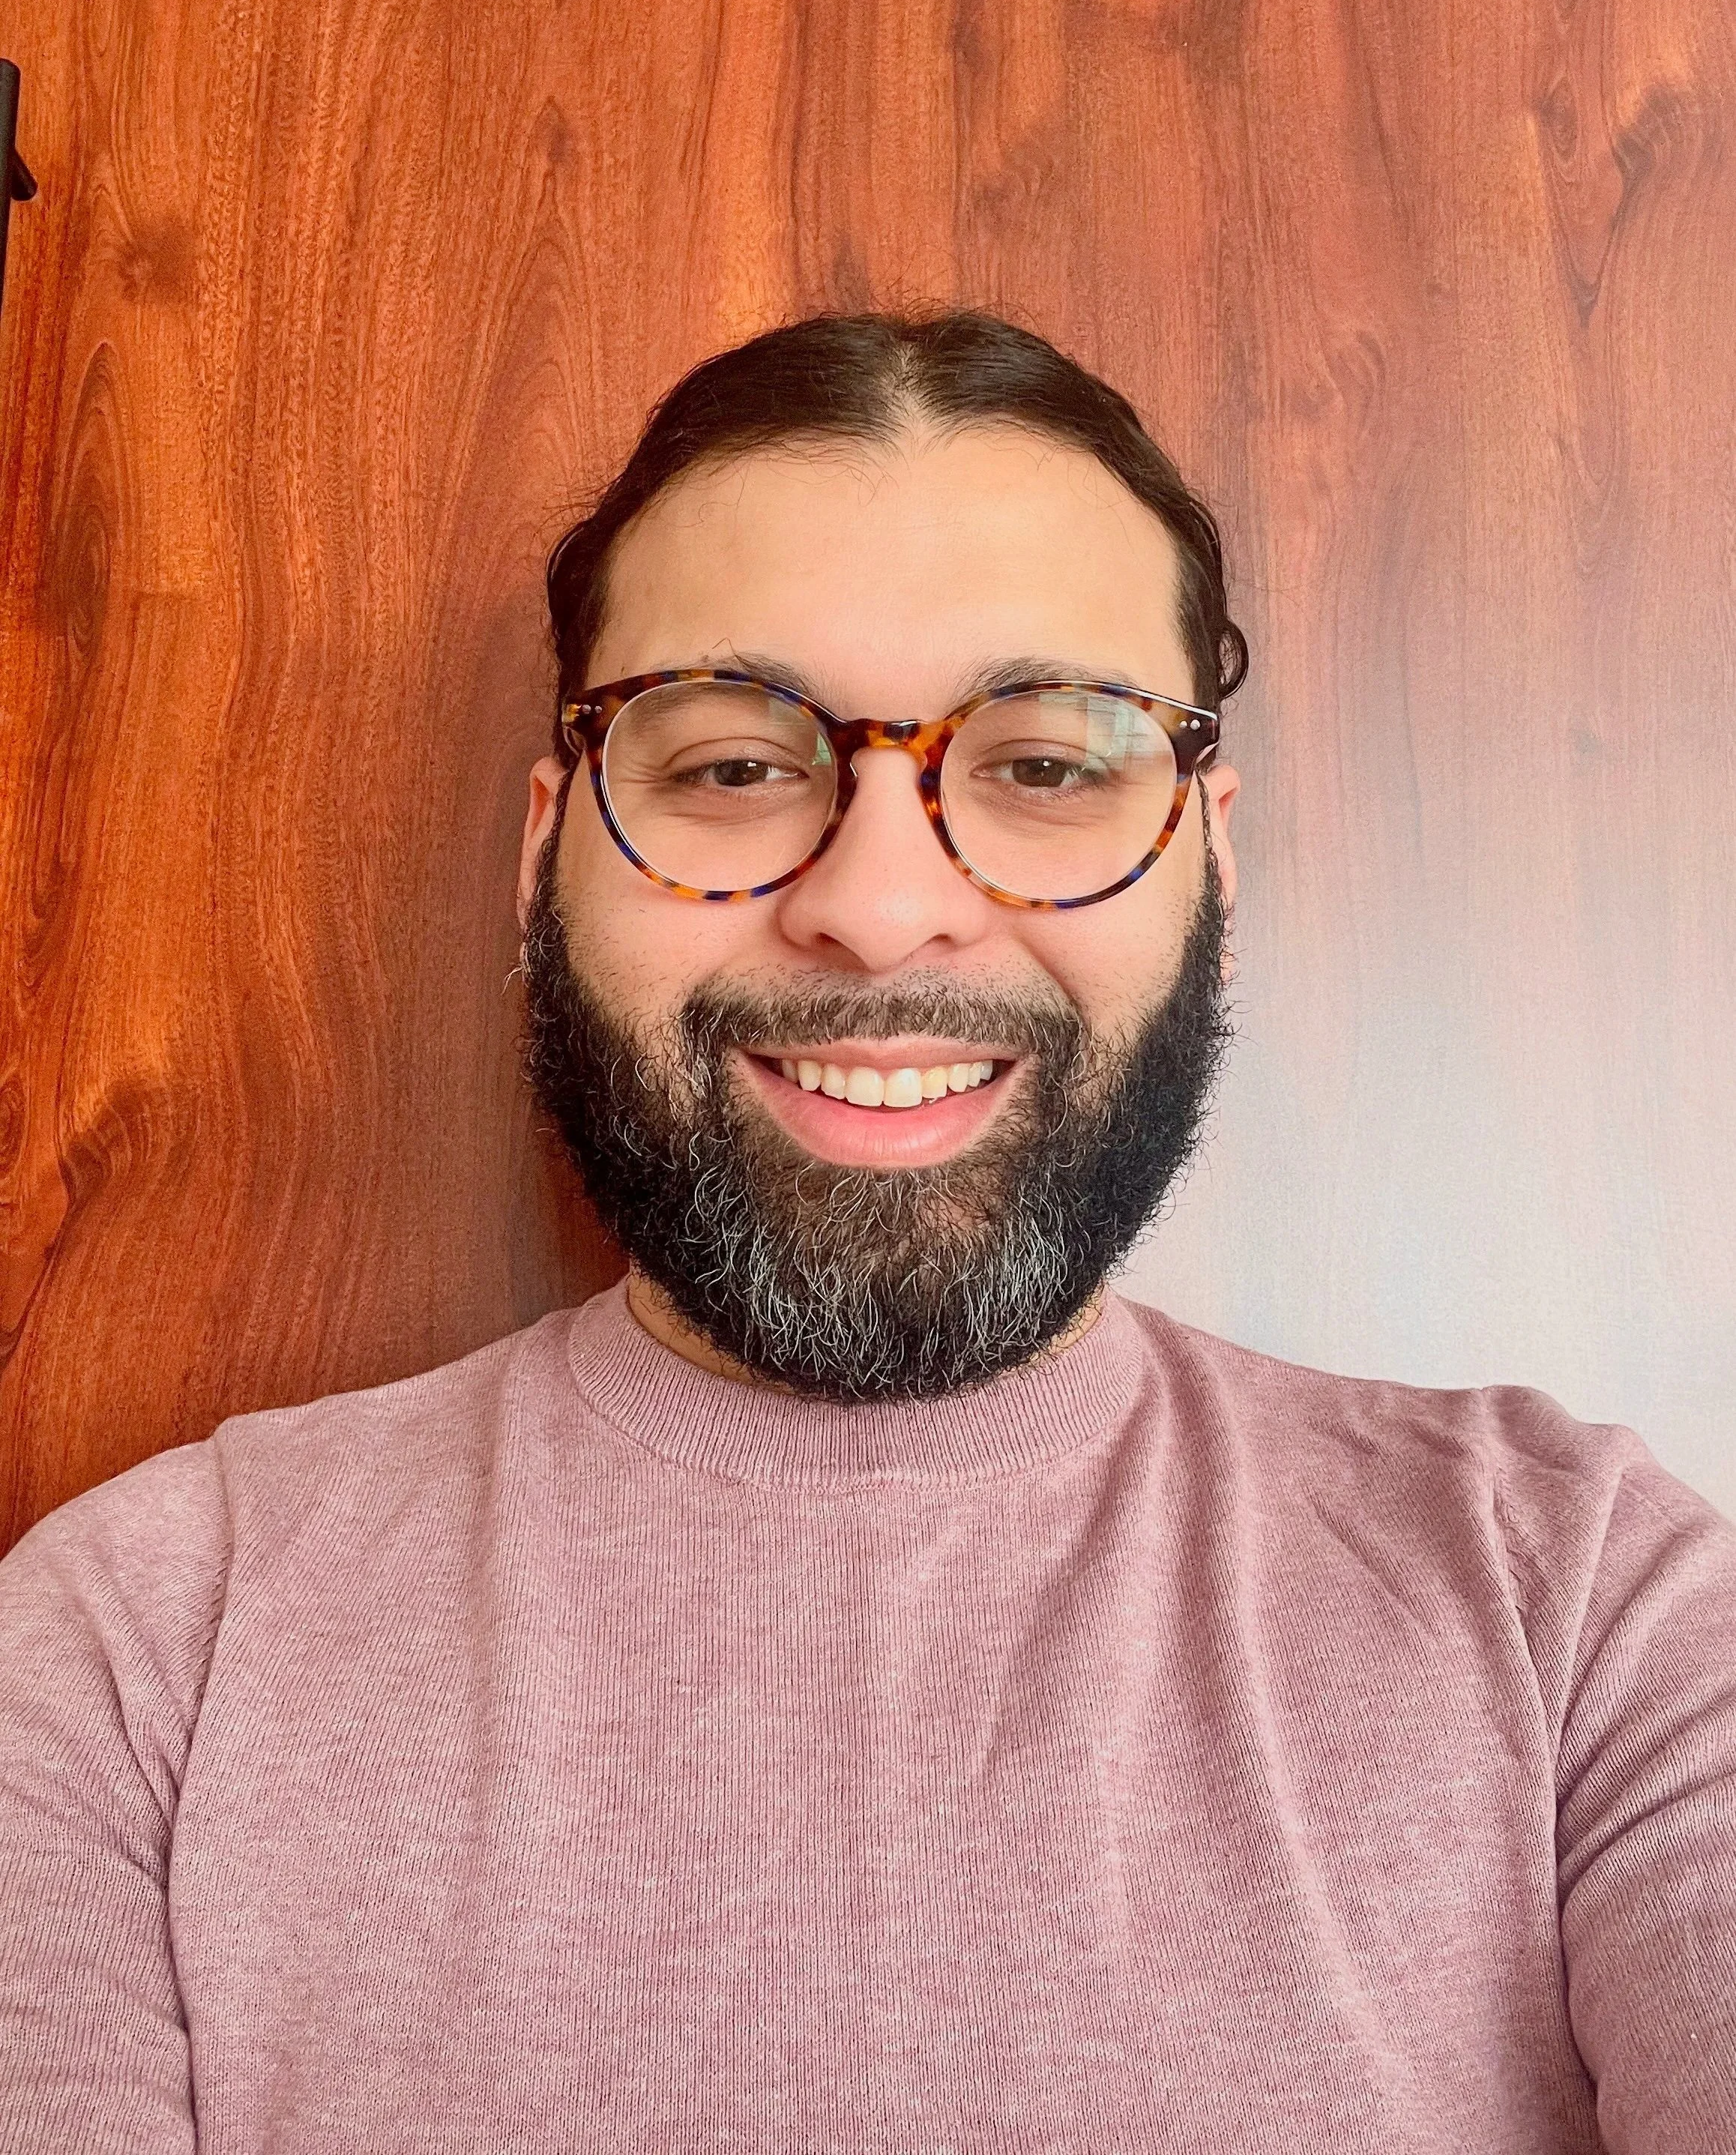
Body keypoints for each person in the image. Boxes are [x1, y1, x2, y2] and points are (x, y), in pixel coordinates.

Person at [1, 311, 1731, 2153]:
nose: (883, 906)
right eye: (734, 766)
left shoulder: (1583, 1610)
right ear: (544, 856)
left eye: (1050, 767)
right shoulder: (135, 1660)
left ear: (1210, 854)